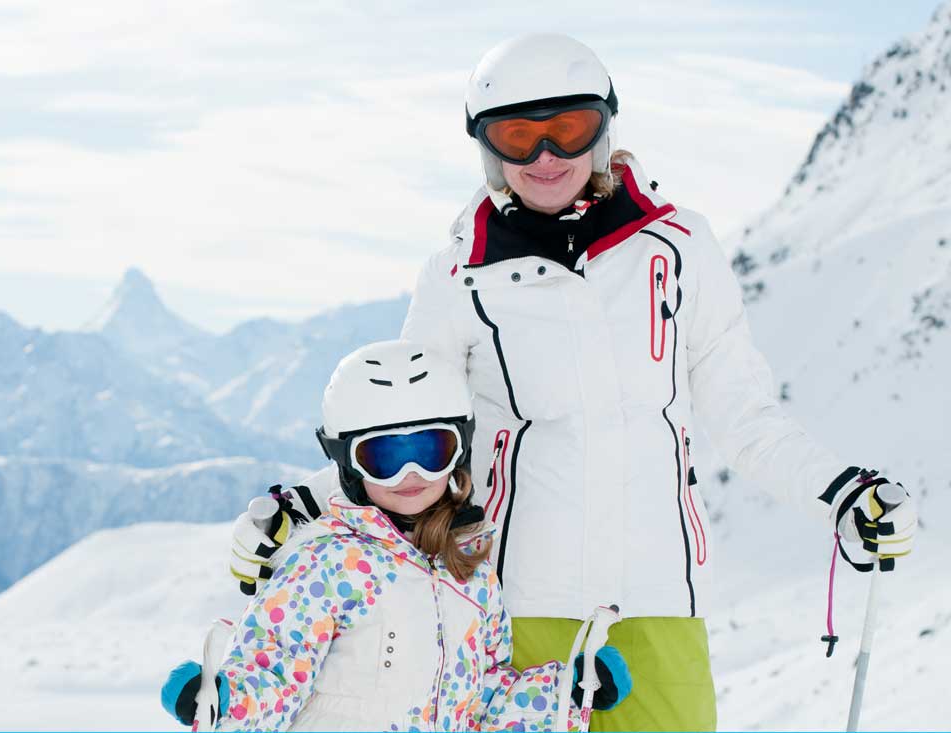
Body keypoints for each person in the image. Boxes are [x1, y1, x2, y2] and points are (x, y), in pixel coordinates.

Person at [228, 34, 920, 732]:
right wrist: (302, 507)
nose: (546, 158)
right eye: (518, 136)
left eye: (568, 130)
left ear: (604, 126)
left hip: (658, 600)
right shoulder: (458, 273)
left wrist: (843, 493)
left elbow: (745, 414)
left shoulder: (678, 247)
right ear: (487, 147)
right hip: (517, 601)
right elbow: (408, 428)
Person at [165, 340, 631, 731]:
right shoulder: (325, 562)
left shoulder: (468, 568)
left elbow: (486, 694)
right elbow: (277, 666)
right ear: (347, 462)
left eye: (431, 448)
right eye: (384, 457)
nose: (410, 474)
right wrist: (224, 700)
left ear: (460, 450)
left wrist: (566, 689)